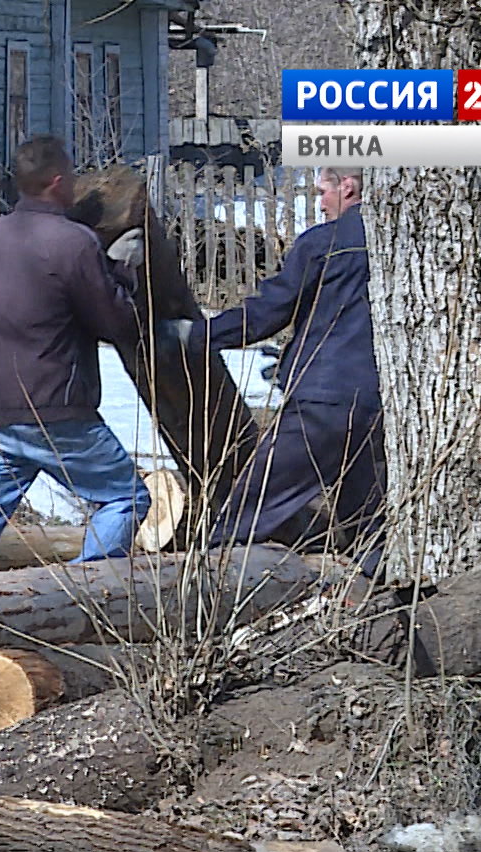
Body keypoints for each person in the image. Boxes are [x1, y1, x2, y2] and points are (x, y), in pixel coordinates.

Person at [0, 136, 153, 576]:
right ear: (57, 182)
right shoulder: (72, 243)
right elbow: (117, 324)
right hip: (55, 409)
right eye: (70, 177)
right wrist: (126, 271)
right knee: (125, 498)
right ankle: (85, 597)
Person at [178, 166, 383, 564]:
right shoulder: (402, 241)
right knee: (367, 525)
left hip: (323, 400)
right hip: (377, 402)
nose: (320, 203)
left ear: (348, 186)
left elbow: (268, 312)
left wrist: (198, 336)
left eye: (323, 191)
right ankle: (378, 604)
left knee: (247, 511)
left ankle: (200, 591)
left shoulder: (326, 243)